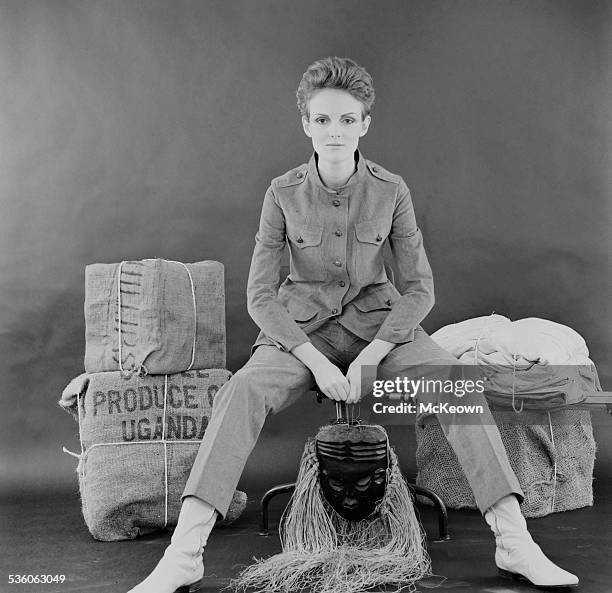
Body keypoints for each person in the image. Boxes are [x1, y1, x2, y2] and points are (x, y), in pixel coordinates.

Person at [127, 57, 579, 593]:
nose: (334, 131)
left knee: (454, 386)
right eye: (322, 120)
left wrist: (369, 357)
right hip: (300, 335)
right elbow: (259, 296)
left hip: (382, 332)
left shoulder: (392, 191)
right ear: (305, 125)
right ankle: (185, 554)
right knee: (242, 389)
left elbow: (419, 289)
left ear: (365, 123)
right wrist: (314, 360)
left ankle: (514, 543)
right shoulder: (281, 193)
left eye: (347, 120)